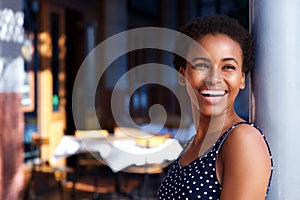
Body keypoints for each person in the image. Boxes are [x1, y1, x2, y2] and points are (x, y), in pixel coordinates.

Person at [157, 15, 273, 199]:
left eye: (227, 67)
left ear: (242, 78)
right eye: (202, 65)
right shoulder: (192, 145)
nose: (213, 78)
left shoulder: (243, 139)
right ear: (182, 74)